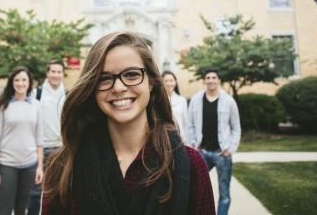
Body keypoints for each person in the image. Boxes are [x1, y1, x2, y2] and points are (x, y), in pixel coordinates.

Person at [42, 32, 215, 215]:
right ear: (92, 88)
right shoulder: (63, 167)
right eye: (104, 78)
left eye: (131, 74)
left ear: (151, 83)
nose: (118, 87)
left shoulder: (192, 165)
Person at [0, 66, 44, 215]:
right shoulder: (1, 105)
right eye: (17, 80)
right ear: (12, 82)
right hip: (7, 165)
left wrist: (39, 166)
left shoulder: (36, 106)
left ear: (29, 82)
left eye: (24, 80)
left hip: (30, 165)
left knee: (21, 210)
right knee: (5, 211)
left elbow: (39, 139)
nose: (20, 83)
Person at [186, 68, 241, 215]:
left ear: (218, 80)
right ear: (205, 80)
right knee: (195, 188)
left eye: (214, 77)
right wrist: (193, 144)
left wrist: (231, 149)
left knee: (224, 193)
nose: (211, 80)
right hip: (202, 152)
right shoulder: (196, 100)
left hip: (222, 154)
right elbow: (189, 124)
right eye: (208, 78)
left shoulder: (229, 101)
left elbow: (236, 128)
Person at [28, 60, 66, 215]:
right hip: (40, 149)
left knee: (60, 192)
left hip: (61, 149)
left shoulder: (68, 94)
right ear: (47, 73)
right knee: (35, 193)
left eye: (59, 72)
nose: (56, 75)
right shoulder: (37, 93)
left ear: (63, 74)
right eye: (53, 71)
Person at [162, 70, 188, 141]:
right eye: (166, 81)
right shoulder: (158, 100)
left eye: (171, 80)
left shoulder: (182, 100)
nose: (169, 83)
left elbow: (185, 122)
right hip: (164, 138)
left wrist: (187, 140)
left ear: (175, 82)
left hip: (180, 138)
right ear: (162, 83)